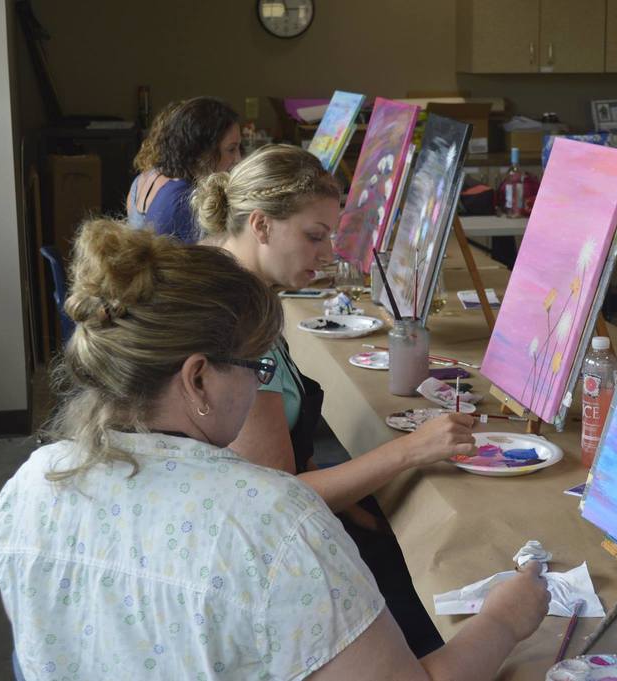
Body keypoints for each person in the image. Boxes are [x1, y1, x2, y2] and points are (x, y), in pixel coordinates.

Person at [0, 219, 549, 680]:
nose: (260, 387)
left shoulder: (30, 486)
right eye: (256, 367)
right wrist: (504, 621)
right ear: (197, 380)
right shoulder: (272, 522)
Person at [193, 144, 475, 657]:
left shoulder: (238, 287)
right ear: (261, 225)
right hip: (255, 556)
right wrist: (411, 450)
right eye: (314, 236)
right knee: (436, 611)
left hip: (257, 522)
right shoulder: (236, 323)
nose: (327, 255)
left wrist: (359, 507)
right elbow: (280, 498)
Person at [127, 96, 241, 242]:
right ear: (202, 152)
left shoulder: (172, 187)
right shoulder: (184, 201)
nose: (238, 159)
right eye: (231, 149)